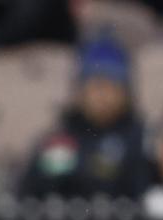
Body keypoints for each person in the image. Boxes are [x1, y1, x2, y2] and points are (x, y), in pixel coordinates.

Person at [17, 31, 151, 201]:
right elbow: (29, 197)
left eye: (112, 86)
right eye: (96, 85)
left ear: (126, 93)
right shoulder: (59, 140)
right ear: (79, 92)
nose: (103, 96)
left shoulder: (142, 141)